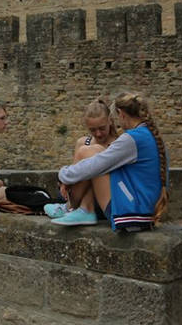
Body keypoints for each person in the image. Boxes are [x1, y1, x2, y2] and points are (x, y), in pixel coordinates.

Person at [53, 91, 168, 230]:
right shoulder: (148, 135)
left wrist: (63, 175)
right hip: (142, 210)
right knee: (93, 154)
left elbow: (97, 164)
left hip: (132, 211)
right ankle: (80, 208)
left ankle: (77, 208)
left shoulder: (132, 138)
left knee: (89, 152)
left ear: (121, 114)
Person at [46, 98, 120, 219]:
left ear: (110, 121)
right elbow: (76, 171)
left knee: (94, 166)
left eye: (102, 128)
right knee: (85, 164)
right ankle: (72, 207)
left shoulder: (118, 145)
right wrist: (65, 181)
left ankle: (70, 208)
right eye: (92, 130)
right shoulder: (83, 142)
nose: (98, 134)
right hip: (77, 197)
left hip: (103, 200)